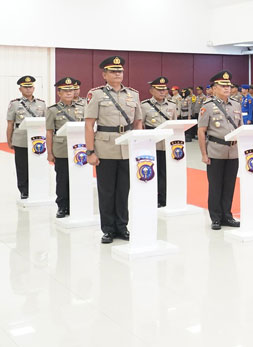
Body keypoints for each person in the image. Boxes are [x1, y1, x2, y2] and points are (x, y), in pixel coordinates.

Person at [85, 56, 143, 243]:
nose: (117, 74)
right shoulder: (96, 94)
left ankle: (122, 226)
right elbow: (89, 125)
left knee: (123, 191)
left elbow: (138, 122)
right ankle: (108, 229)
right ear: (104, 74)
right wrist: (90, 151)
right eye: (113, 71)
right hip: (105, 146)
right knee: (107, 191)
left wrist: (138, 145)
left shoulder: (133, 94)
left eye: (120, 71)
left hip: (127, 147)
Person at [198, 71, 242, 230]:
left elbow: (240, 128)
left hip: (233, 151)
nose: (227, 88)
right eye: (223, 86)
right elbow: (201, 131)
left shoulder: (236, 104)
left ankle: (227, 216)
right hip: (215, 150)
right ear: (214, 88)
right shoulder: (207, 106)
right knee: (216, 186)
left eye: (228, 86)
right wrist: (204, 153)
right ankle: (215, 218)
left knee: (229, 185)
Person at [45, 77, 83, 217]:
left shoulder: (82, 108)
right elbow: (49, 133)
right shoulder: (52, 110)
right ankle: (62, 206)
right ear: (59, 93)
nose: (69, 93)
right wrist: (49, 152)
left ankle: (76, 204)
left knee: (78, 178)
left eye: (71, 90)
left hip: (79, 150)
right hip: (61, 150)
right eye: (65, 91)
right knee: (62, 179)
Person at [6, 75, 47, 200]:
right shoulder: (14, 104)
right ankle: (24, 190)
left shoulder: (41, 103)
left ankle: (38, 187)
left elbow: (47, 122)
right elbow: (10, 123)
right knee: (22, 166)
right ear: (20, 89)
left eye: (30, 87)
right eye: (25, 87)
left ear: (33, 88)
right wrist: (9, 140)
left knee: (38, 164)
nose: (28, 89)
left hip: (38, 139)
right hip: (21, 138)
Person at [141, 76, 178, 208]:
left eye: (164, 89)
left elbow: (175, 124)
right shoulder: (145, 106)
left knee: (166, 171)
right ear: (151, 91)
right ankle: (154, 196)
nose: (162, 92)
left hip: (167, 144)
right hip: (152, 144)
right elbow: (141, 126)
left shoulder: (172, 105)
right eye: (159, 89)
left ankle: (165, 197)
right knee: (153, 171)